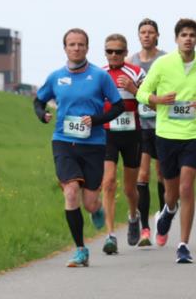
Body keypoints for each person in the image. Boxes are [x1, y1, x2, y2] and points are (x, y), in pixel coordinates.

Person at [135, 18, 196, 264]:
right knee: (171, 193)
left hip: (193, 135)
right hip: (166, 135)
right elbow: (141, 93)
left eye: (192, 35)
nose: (188, 39)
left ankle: (183, 245)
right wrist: (158, 99)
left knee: (187, 188)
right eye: (183, 35)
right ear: (176, 39)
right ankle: (168, 211)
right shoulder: (163, 64)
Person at [35, 28, 125, 267]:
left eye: (81, 44)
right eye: (72, 44)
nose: (76, 48)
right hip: (64, 141)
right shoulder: (56, 77)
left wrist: (96, 120)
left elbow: (118, 106)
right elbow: (39, 99)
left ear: (87, 48)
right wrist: (41, 114)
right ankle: (80, 249)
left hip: (94, 144)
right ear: (65, 48)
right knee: (71, 191)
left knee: (90, 202)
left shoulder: (99, 76)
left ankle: (96, 210)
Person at [100, 34, 145, 255]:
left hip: (131, 134)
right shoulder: (100, 74)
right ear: (105, 52)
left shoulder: (136, 72)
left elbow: (148, 100)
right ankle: (110, 235)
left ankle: (133, 216)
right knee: (108, 182)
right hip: (108, 134)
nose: (114, 55)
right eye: (110, 51)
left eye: (119, 51)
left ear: (126, 53)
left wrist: (133, 88)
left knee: (129, 188)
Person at [129, 18, 166, 246]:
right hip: (140, 125)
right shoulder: (131, 61)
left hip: (162, 124)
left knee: (161, 174)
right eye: (143, 32)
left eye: (150, 32)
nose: (146, 35)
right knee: (142, 176)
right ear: (139, 35)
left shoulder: (166, 60)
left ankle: (163, 215)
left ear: (157, 36)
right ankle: (144, 228)